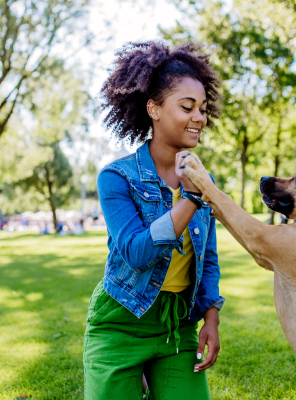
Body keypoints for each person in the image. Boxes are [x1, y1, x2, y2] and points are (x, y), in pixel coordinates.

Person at [83, 41, 223, 400]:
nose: (199, 118)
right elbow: (135, 252)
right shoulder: (117, 178)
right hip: (120, 323)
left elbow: (207, 257)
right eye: (187, 107)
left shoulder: (201, 177)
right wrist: (191, 198)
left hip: (175, 328)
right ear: (154, 109)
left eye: (203, 109)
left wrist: (210, 316)